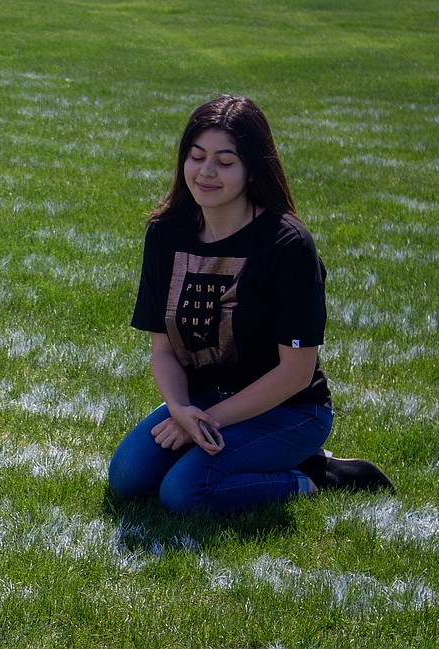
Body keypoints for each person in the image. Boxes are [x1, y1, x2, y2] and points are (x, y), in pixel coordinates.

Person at [106, 94, 393, 514]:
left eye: (225, 161)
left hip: (290, 409)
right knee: (129, 477)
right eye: (196, 156)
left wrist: (207, 422)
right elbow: (163, 349)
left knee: (185, 492)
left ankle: (315, 474)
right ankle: (253, 456)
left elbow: (295, 374)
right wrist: (182, 410)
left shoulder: (288, 245)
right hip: (203, 400)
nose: (206, 172)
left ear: (252, 169)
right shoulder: (166, 233)